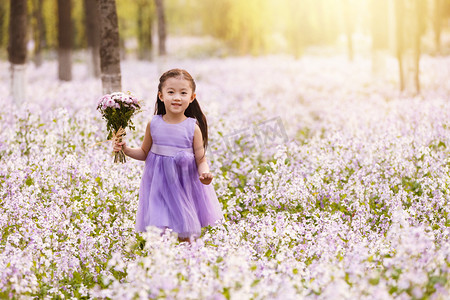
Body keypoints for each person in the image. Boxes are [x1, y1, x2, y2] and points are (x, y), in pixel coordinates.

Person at [113, 69, 223, 243]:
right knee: (157, 231)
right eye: (171, 92)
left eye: (183, 93)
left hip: (183, 186)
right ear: (161, 96)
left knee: (185, 232)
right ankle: (160, 263)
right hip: (157, 186)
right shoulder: (153, 123)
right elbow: (144, 153)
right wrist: (125, 149)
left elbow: (201, 159)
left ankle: (189, 261)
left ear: (192, 97)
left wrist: (205, 174)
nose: (177, 97)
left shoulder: (192, 127)